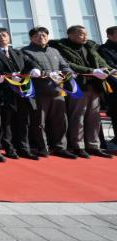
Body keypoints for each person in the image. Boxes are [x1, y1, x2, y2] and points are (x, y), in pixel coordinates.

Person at [49, 25, 112, 158]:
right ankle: (78, 145)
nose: (85, 37)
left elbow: (100, 61)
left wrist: (109, 69)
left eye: (85, 34)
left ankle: (93, 145)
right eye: (81, 34)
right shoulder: (61, 47)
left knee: (94, 117)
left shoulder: (90, 46)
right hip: (78, 86)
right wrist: (91, 71)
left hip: (95, 85)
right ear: (71, 35)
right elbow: (68, 64)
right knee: (78, 116)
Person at [22, 26, 77, 159]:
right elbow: (25, 69)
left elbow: (64, 66)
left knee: (61, 121)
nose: (41, 38)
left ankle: (60, 147)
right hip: (39, 92)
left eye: (44, 35)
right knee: (39, 122)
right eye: (37, 36)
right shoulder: (25, 51)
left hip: (58, 91)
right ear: (31, 38)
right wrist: (35, 72)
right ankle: (42, 147)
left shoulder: (54, 51)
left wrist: (68, 73)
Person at [0, 27, 39, 160]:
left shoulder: (17, 52)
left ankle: (24, 148)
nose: (2, 37)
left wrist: (34, 69)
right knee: (7, 123)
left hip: (22, 92)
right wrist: (8, 77)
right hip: (4, 93)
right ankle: (9, 149)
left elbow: (31, 63)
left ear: (9, 37)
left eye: (4, 35)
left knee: (23, 121)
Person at [98, 26, 117, 144]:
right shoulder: (103, 49)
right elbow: (109, 66)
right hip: (113, 86)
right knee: (115, 112)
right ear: (109, 36)